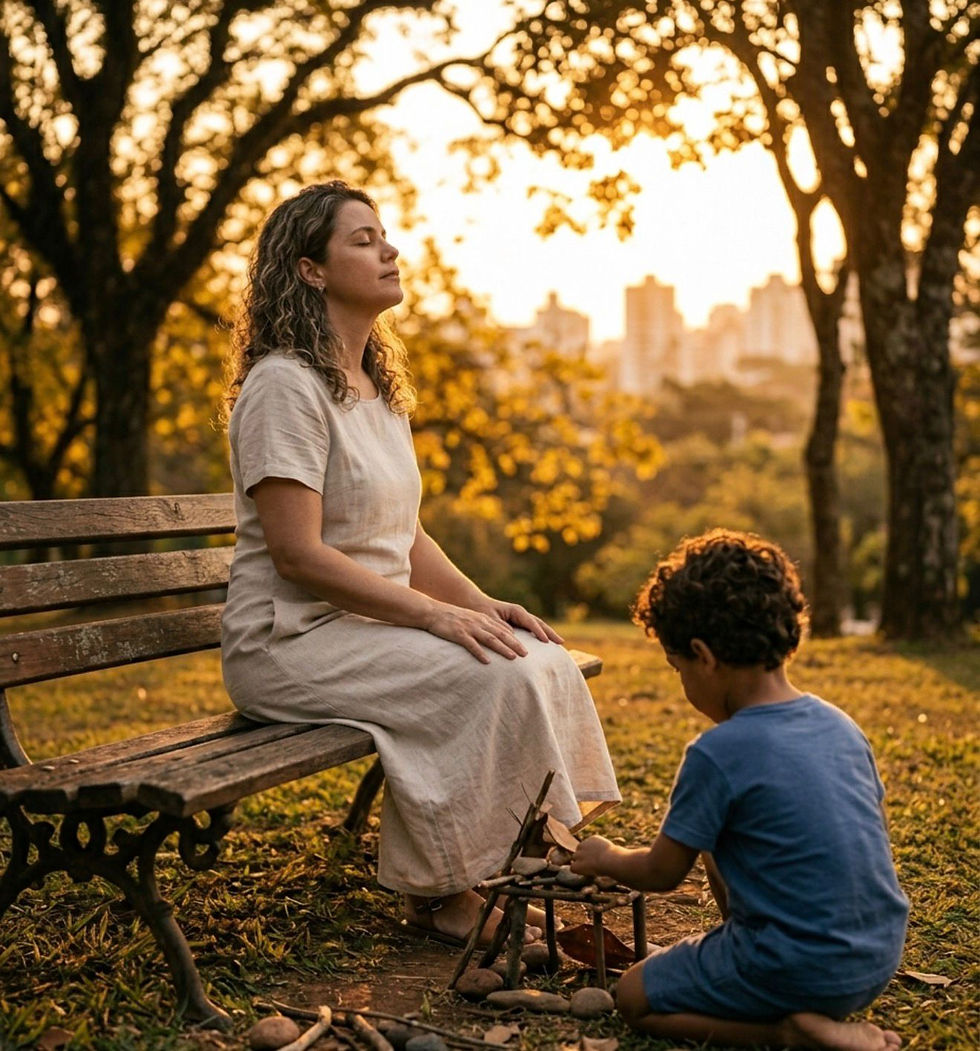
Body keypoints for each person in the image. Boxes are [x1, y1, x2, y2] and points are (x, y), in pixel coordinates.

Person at [220, 180, 620, 947]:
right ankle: (448, 894)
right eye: (363, 239)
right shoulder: (283, 387)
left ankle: (518, 861)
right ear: (309, 269)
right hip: (289, 642)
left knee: (534, 654)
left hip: (365, 631)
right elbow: (299, 556)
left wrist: (479, 603)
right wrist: (436, 617)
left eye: (384, 235)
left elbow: (407, 537)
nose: (390, 249)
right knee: (493, 673)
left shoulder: (375, 388)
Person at [571, 529, 908, 1051]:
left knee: (633, 996)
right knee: (716, 839)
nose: (684, 684)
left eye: (679, 669)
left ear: (703, 656)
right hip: (875, 957)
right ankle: (752, 968)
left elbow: (661, 873)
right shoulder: (841, 726)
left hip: (795, 969)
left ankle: (787, 1030)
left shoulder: (716, 753)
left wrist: (606, 855)